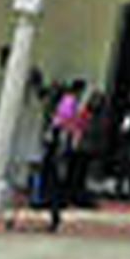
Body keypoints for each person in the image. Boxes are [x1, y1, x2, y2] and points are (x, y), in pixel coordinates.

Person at [44, 79, 87, 232]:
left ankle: (55, 212)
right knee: (58, 176)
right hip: (60, 143)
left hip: (60, 142)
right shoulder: (69, 101)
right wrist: (75, 134)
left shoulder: (69, 102)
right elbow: (65, 122)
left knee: (59, 176)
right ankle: (55, 211)